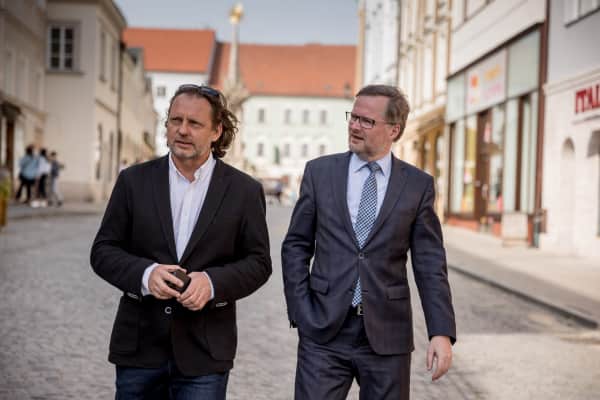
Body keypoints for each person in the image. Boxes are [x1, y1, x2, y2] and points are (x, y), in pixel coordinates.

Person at [91, 84, 272, 399]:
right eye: (176, 120)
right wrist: (146, 274)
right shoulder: (133, 181)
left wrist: (211, 283)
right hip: (139, 348)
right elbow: (103, 251)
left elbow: (258, 263)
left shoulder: (244, 191)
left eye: (195, 123)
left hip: (205, 353)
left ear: (216, 131)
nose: (183, 130)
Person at [282, 84, 456, 400]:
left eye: (366, 121)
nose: (355, 126)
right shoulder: (320, 173)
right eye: (353, 117)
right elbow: (296, 245)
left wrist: (441, 331)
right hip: (324, 331)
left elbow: (430, 264)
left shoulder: (417, 186)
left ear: (393, 130)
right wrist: (301, 310)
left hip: (387, 335)